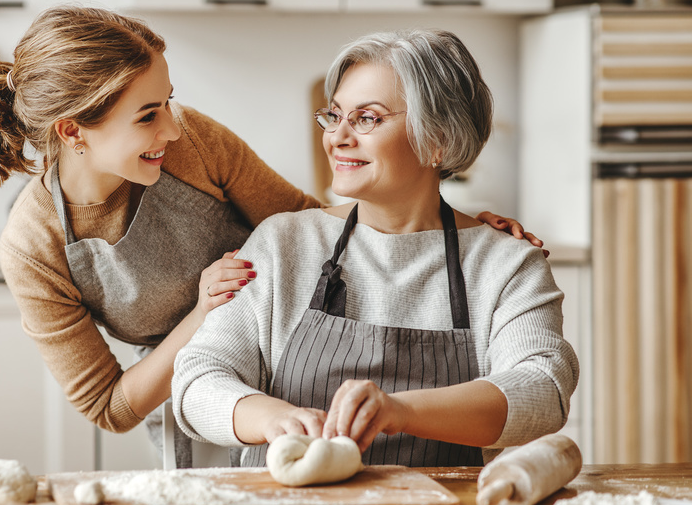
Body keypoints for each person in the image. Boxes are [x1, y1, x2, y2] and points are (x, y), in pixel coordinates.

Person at [0, 6, 543, 468]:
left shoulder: (198, 152)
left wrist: (467, 233)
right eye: (148, 115)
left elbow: (323, 228)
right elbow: (113, 404)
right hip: (195, 395)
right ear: (72, 131)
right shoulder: (33, 245)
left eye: (168, 103)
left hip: (272, 355)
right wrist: (207, 315)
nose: (173, 127)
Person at [172, 28, 579, 467]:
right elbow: (197, 380)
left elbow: (544, 389)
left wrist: (399, 411)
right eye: (334, 115)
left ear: (438, 140)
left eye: (366, 118)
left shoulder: (505, 263)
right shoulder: (283, 243)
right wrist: (275, 420)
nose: (337, 137)